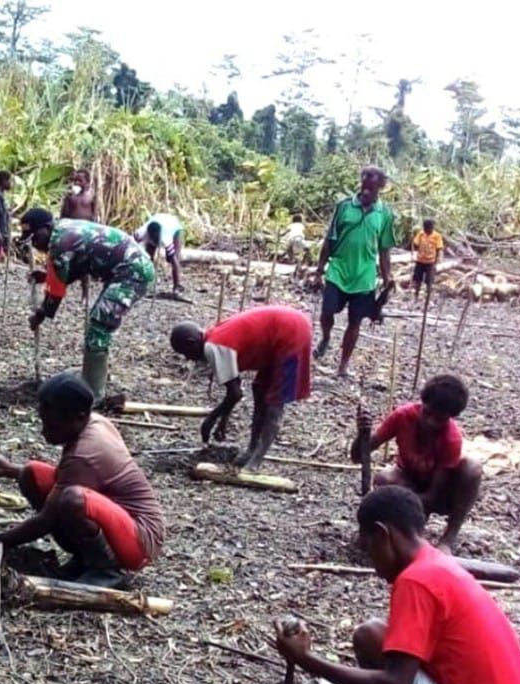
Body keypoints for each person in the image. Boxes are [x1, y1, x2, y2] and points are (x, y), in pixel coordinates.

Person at [274, 487, 520, 684]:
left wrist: (306, 660)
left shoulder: (416, 582)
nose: (373, 566)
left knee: (370, 641)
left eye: (368, 549)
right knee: (374, 636)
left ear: (382, 534)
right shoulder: (437, 565)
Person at [0, 373, 164, 588]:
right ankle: (84, 559)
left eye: (52, 426)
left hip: (139, 542)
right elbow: (69, 481)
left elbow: (46, 521)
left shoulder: (84, 454)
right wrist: (11, 470)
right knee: (31, 473)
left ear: (79, 417)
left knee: (72, 500)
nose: (44, 432)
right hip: (116, 518)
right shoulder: (94, 421)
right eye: (43, 423)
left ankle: (105, 570)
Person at [19, 208, 155, 404]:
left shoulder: (60, 242)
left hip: (133, 272)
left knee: (99, 324)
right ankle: (92, 376)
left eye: (35, 236)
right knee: (98, 323)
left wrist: (40, 314)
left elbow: (55, 294)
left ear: (47, 228)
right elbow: (76, 267)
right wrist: (46, 276)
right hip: (126, 270)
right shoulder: (63, 230)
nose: (34, 243)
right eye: (29, 238)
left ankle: (94, 393)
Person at [170, 306, 312, 470]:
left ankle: (256, 460)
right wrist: (223, 420)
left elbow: (235, 394)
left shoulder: (213, 347)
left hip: (291, 331)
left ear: (192, 343)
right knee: (259, 390)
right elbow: (234, 388)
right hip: (280, 331)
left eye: (186, 353)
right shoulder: (214, 338)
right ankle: (251, 450)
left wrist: (212, 418)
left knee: (274, 401)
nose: (188, 358)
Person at [351, 375, 481, 553]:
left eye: (439, 419)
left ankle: (448, 539)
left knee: (471, 469)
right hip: (408, 480)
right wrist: (362, 435)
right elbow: (358, 457)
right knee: (384, 479)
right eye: (427, 413)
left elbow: (432, 495)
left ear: (450, 417)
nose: (430, 422)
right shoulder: (403, 416)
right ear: (422, 403)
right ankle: (395, 532)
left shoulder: (451, 439)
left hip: (440, 493)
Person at [314, 166, 395, 377]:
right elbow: (329, 239)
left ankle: (343, 366)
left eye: (372, 180)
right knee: (326, 312)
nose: (366, 183)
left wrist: (388, 277)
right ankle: (326, 337)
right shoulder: (344, 206)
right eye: (364, 178)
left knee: (355, 322)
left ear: (381, 185)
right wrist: (319, 269)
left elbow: (384, 249)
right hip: (339, 269)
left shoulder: (385, 214)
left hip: (364, 276)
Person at [60, 168, 99, 302]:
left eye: (80, 180)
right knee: (65, 262)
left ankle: (85, 294)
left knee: (85, 265)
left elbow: (94, 215)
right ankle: (60, 292)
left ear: (87, 183)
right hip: (71, 233)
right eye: (75, 180)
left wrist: (95, 232)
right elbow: (64, 215)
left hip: (85, 234)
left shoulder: (91, 197)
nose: (77, 183)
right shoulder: (70, 197)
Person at [135, 213, 186, 294]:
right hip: (157, 220)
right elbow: (131, 246)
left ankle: (177, 285)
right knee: (148, 258)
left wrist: (177, 283)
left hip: (173, 226)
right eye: (153, 238)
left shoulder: (166, 238)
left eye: (156, 239)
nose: (155, 241)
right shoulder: (141, 233)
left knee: (171, 258)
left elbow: (174, 262)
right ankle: (147, 281)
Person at [411, 219, 444, 300]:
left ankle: (428, 297)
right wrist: (413, 253)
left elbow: (439, 248)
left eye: (429, 228)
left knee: (429, 281)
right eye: (426, 228)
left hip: (430, 261)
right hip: (420, 260)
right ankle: (416, 296)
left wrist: (439, 259)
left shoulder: (437, 236)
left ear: (432, 228)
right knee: (417, 279)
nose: (427, 230)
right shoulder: (421, 234)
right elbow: (415, 244)